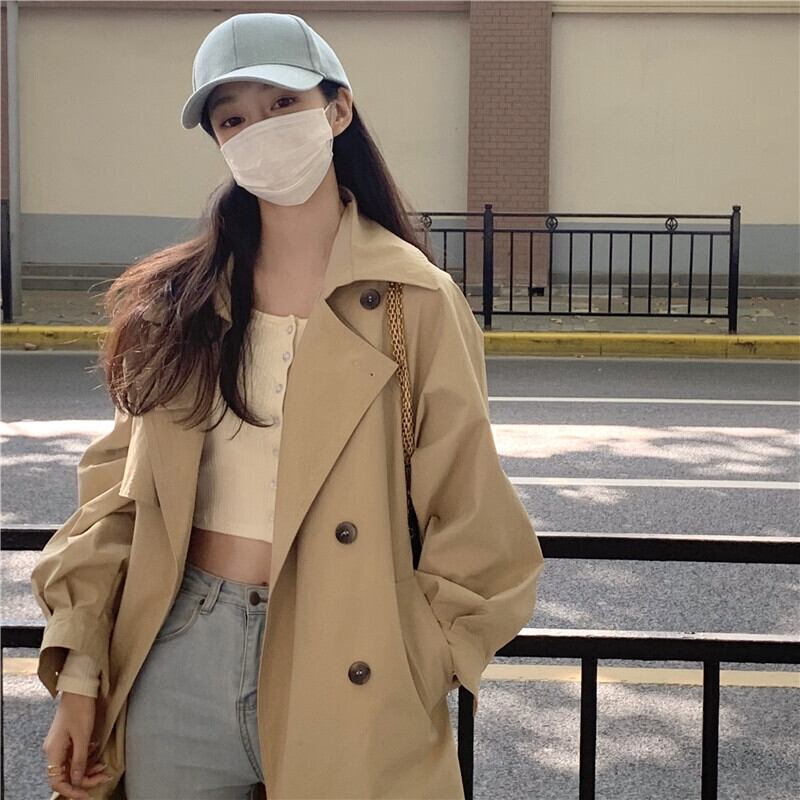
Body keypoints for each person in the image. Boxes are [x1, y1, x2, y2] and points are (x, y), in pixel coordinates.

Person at [32, 12, 545, 800]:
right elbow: (117, 501)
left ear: (337, 110)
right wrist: (81, 673)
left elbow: (473, 516)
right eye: (232, 118)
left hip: (353, 656)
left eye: (281, 104)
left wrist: (419, 657)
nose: (259, 130)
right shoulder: (177, 303)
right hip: (178, 647)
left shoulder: (414, 299)